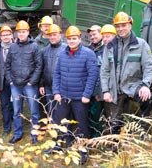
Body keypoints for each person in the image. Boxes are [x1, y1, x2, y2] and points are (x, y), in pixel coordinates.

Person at [100, 12, 152, 134]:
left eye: (123, 25)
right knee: (114, 124)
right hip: (115, 90)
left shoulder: (141, 45)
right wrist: (106, 91)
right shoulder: (110, 46)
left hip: (133, 87)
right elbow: (104, 70)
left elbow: (149, 67)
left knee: (143, 113)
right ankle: (116, 148)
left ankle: (145, 139)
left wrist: (145, 85)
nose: (120, 28)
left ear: (130, 25)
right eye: (118, 26)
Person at [52, 25, 98, 164]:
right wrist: (56, 92)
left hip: (80, 98)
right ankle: (61, 145)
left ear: (79, 39)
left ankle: (83, 150)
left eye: (74, 38)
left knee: (82, 125)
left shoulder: (88, 53)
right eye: (69, 39)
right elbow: (57, 74)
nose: (72, 41)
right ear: (66, 39)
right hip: (64, 96)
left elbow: (92, 75)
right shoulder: (62, 53)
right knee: (61, 122)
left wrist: (87, 94)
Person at [5, 20, 42, 144]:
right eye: (19, 32)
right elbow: (7, 65)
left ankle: (34, 134)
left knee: (34, 111)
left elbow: (39, 66)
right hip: (15, 85)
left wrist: (32, 82)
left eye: (24, 31)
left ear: (28, 32)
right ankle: (17, 134)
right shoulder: (13, 46)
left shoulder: (34, 46)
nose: (21, 34)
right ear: (16, 33)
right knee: (16, 111)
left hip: (29, 85)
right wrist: (10, 81)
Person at [39, 24, 66, 119]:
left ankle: (63, 133)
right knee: (51, 110)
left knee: (62, 111)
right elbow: (42, 68)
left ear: (60, 34)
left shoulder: (66, 49)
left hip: (62, 87)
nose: (52, 37)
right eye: (50, 35)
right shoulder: (45, 51)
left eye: (54, 34)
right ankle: (53, 131)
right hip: (48, 86)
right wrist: (41, 84)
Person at [0, 25, 15, 136]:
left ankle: (15, 123)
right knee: (5, 104)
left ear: (12, 35)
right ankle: (7, 127)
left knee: (15, 104)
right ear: (0, 37)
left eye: (8, 34)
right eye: (3, 35)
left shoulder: (16, 47)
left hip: (15, 82)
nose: (6, 37)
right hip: (2, 82)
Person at [86, 25, 105, 137]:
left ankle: (97, 137)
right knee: (91, 114)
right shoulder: (88, 50)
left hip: (101, 89)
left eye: (95, 34)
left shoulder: (106, 48)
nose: (92, 37)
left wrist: (100, 91)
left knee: (99, 115)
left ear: (101, 34)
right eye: (91, 35)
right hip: (90, 89)